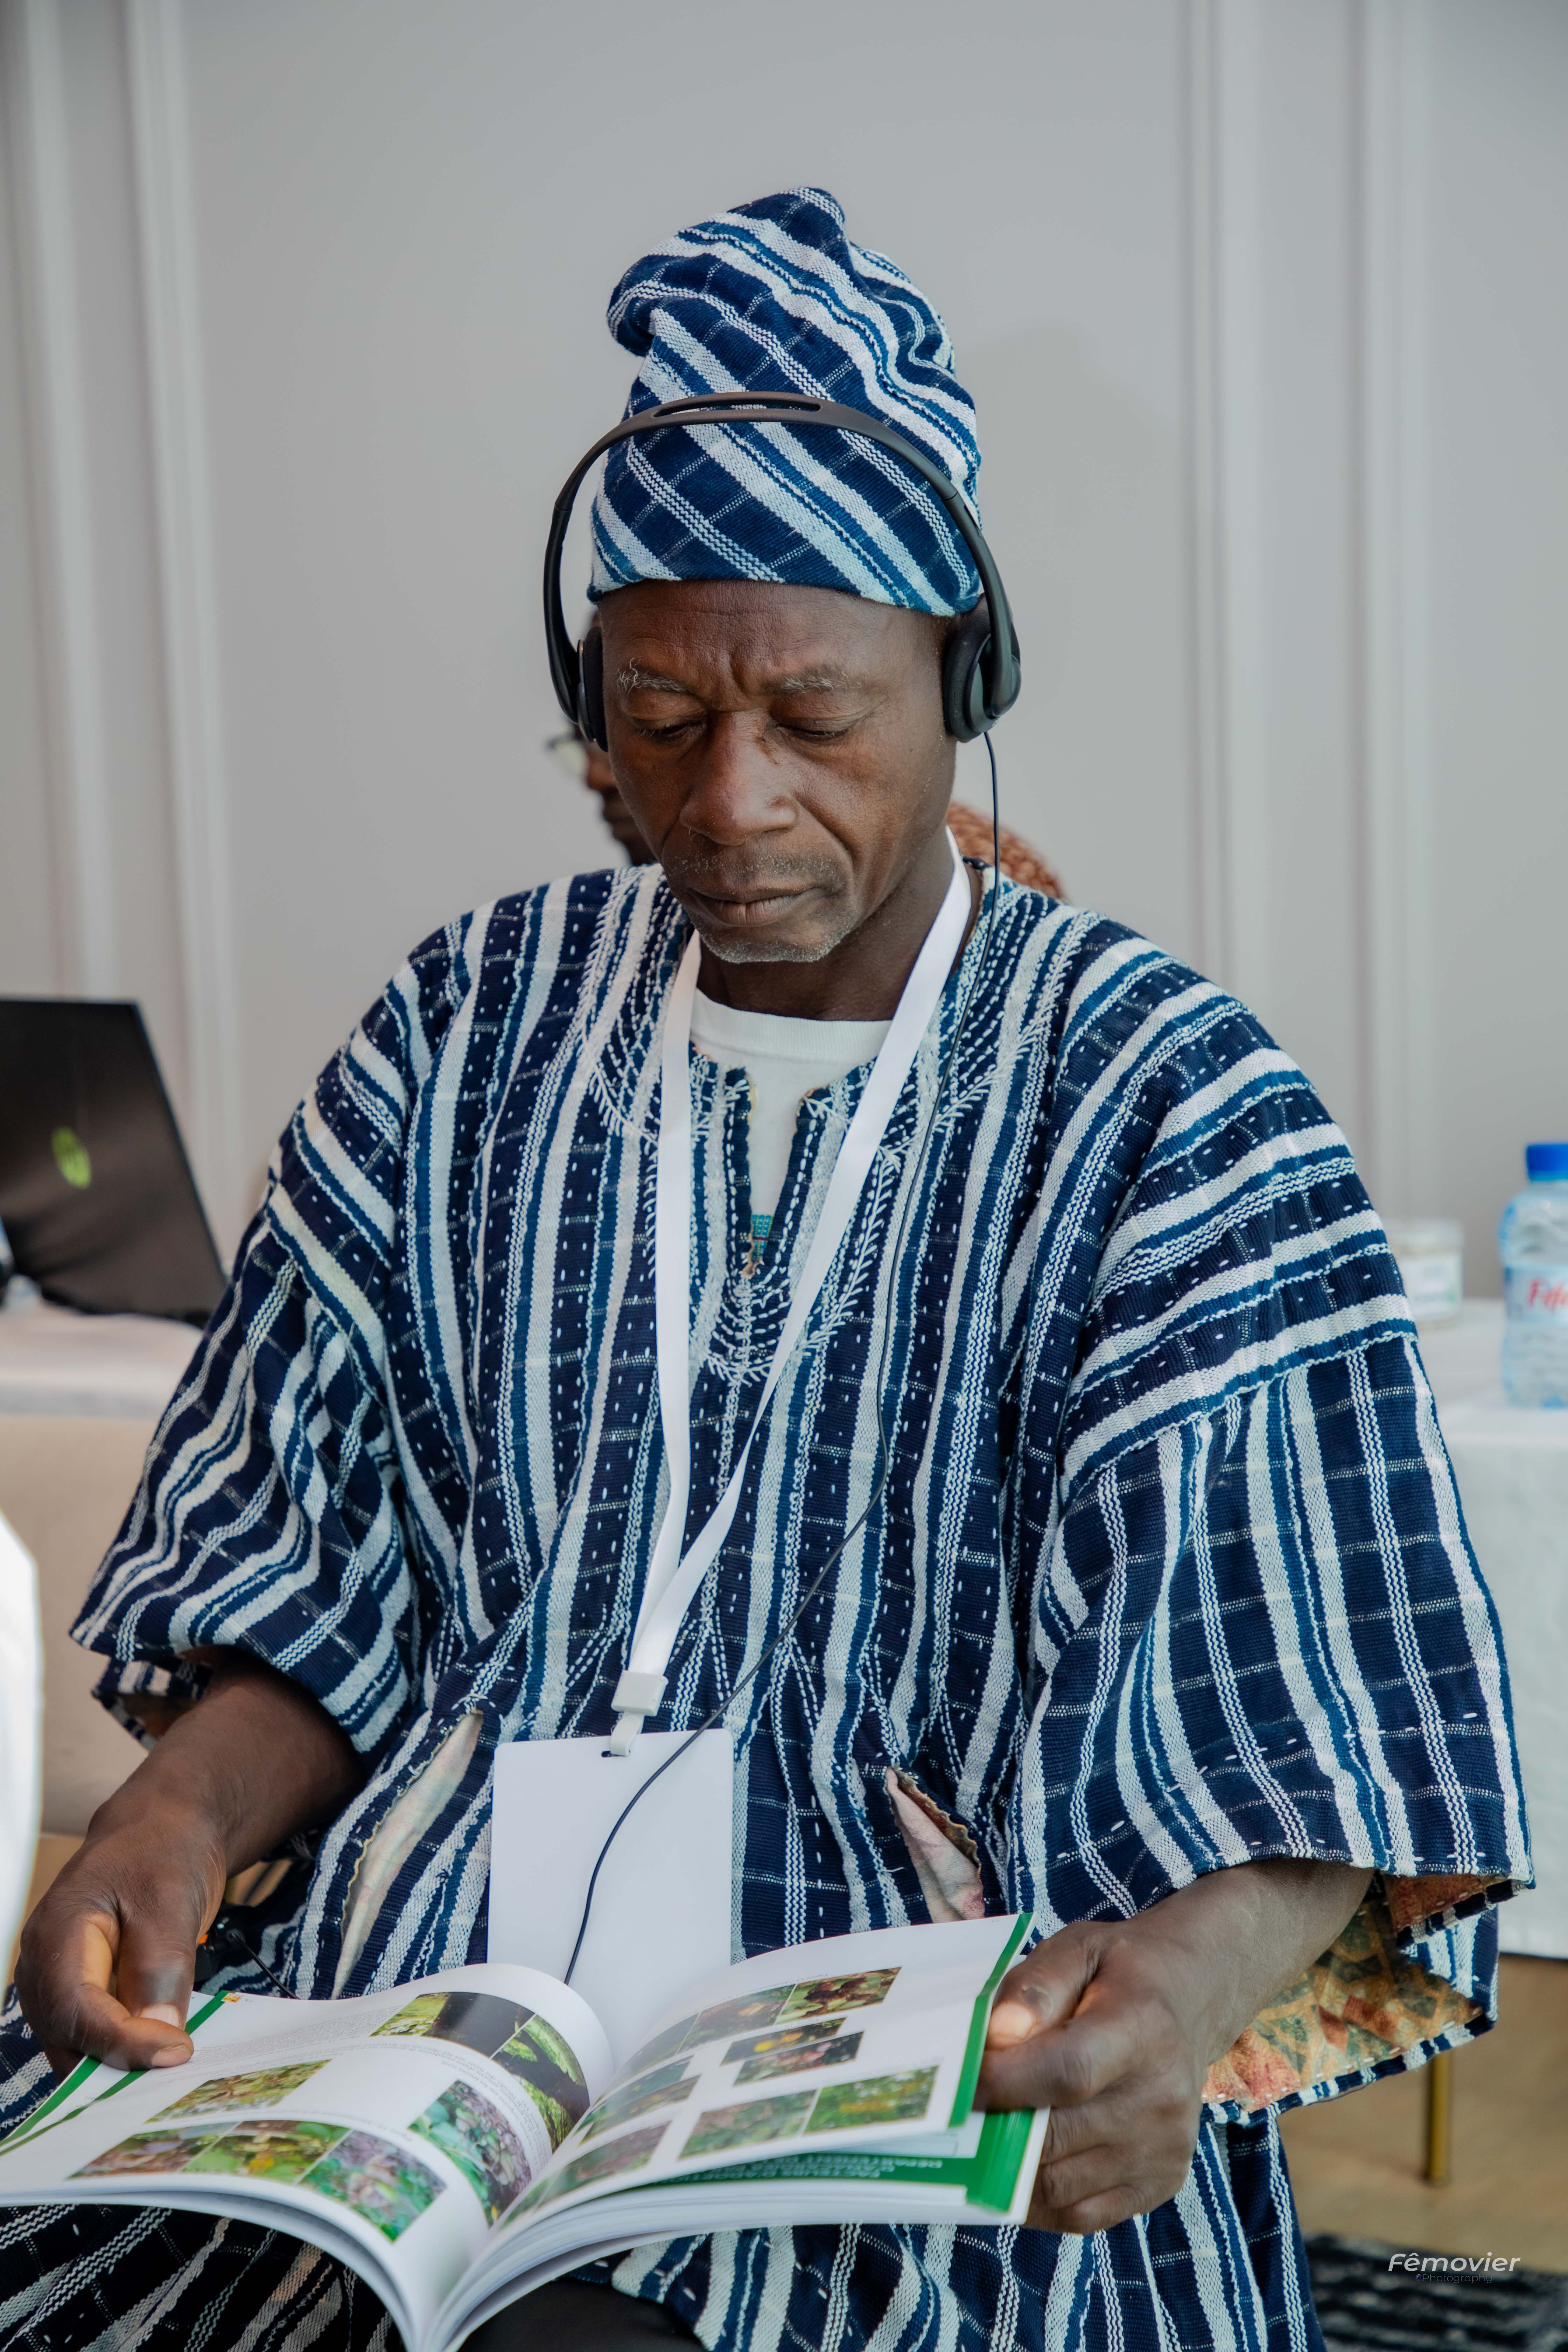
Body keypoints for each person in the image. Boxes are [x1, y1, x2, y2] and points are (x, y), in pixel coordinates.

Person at [3, 188, 1531, 2352]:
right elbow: (313, 1602)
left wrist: (1183, 1995)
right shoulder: (458, 1037)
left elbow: (1319, 1730)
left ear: (960, 681)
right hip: (426, 2006)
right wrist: (166, 1818)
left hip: (929, 2051)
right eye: (658, 715)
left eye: (816, 716)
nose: (727, 803)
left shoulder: (1170, 1103)